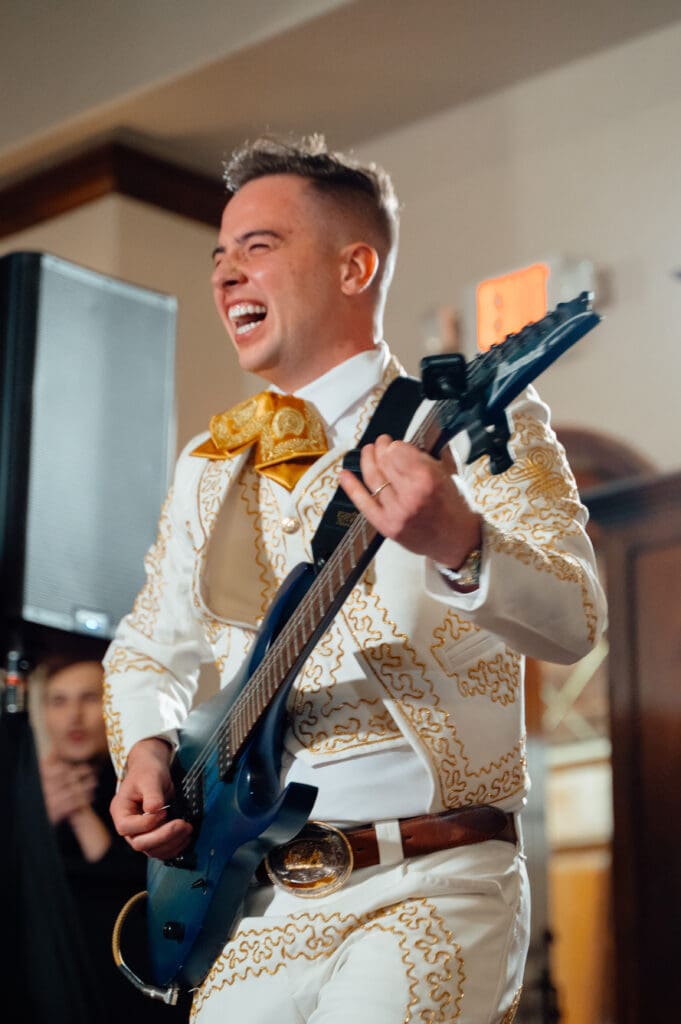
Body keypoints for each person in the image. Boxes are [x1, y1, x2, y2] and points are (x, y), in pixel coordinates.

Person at [104, 134, 607, 1023]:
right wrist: (144, 749)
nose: (225, 275)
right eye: (219, 256)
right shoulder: (207, 464)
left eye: (258, 248)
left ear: (353, 266)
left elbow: (574, 618)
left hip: (432, 882)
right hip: (255, 901)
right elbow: (148, 649)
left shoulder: (475, 421)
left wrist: (459, 541)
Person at [38, 652, 190, 1023]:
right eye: (59, 701)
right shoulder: (23, 786)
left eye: (91, 698)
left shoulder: (154, 781)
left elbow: (129, 876)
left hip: (130, 963)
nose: (74, 717)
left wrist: (78, 811)